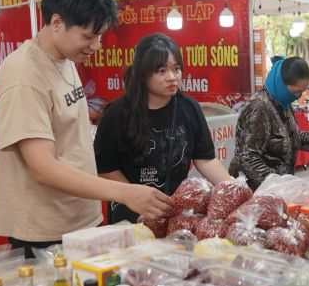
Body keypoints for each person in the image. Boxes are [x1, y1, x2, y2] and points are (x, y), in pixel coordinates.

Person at [0, 0, 172, 258]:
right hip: (46, 232)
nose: (96, 46)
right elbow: (43, 167)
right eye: (88, 36)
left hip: (82, 220)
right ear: (56, 23)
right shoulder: (23, 75)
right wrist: (125, 193)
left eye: (99, 36)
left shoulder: (64, 59)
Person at [94, 33, 234, 223]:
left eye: (176, 69)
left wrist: (234, 190)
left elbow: (205, 160)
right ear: (143, 74)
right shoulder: (117, 113)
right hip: (131, 214)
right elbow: (105, 168)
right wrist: (132, 195)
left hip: (176, 212)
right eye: (161, 71)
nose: (172, 77)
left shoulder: (189, 108)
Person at [230, 57, 309, 189]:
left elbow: (288, 137)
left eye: (302, 92)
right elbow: (247, 156)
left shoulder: (283, 102)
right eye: (295, 92)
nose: (297, 96)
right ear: (281, 83)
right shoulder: (259, 107)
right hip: (257, 190)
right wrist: (278, 185)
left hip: (280, 187)